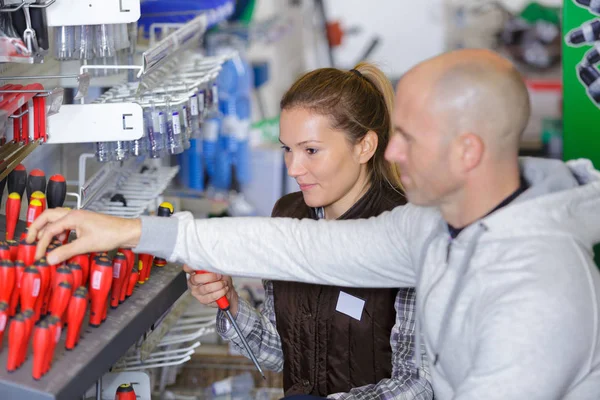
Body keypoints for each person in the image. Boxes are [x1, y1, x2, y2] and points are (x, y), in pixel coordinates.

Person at [28, 49, 600, 400]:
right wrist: (132, 232)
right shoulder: (432, 229)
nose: (394, 153)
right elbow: (302, 247)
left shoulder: (539, 291)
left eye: (409, 138)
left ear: (467, 151)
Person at [187, 63, 433, 399]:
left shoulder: (408, 229)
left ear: (364, 146)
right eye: (287, 148)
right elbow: (277, 352)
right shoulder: (289, 215)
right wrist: (230, 303)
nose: (293, 168)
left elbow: (417, 383)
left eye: (311, 150)